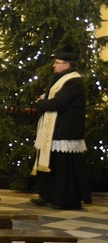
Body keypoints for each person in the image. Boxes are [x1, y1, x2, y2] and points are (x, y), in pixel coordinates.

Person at [31, 45, 91, 209]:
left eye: (57, 62)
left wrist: (41, 103)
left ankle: (66, 199)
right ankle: (49, 195)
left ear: (66, 65)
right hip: (56, 130)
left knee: (64, 168)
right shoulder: (61, 79)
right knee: (53, 165)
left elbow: (60, 103)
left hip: (66, 130)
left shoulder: (73, 81)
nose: (54, 65)